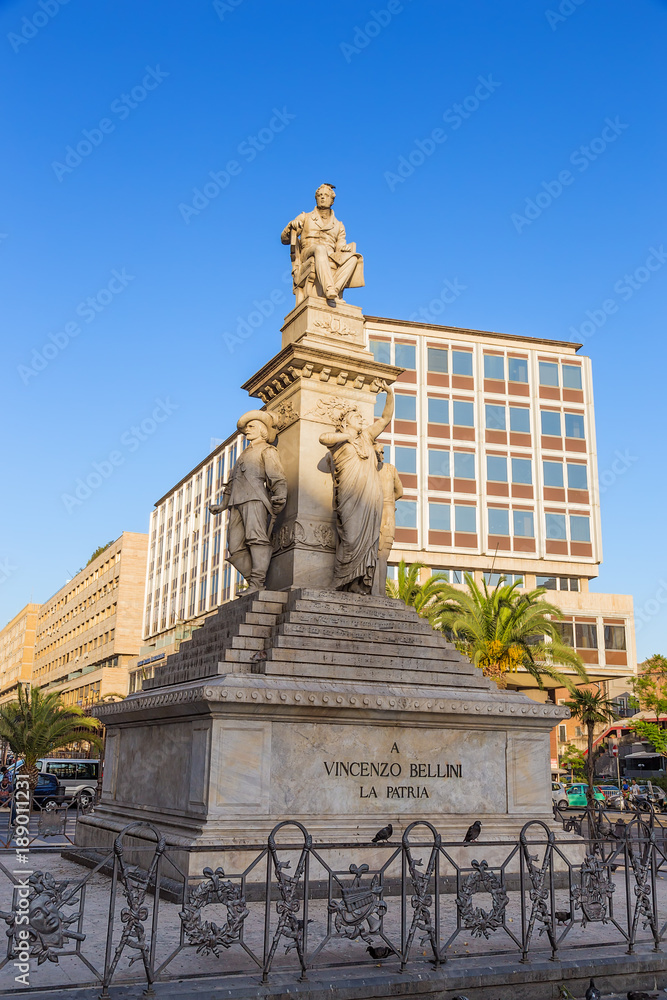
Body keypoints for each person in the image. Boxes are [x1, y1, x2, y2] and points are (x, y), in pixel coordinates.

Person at [319, 385, 394, 593]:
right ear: (345, 422)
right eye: (355, 416)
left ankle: (357, 584)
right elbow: (323, 438)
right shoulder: (338, 441)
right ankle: (341, 581)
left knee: (368, 540)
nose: (360, 418)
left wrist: (389, 393)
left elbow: (385, 419)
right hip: (349, 497)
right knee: (351, 538)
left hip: (370, 497)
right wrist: (346, 436)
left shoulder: (367, 437)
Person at [208, 411, 287, 594]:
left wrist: (280, 494)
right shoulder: (244, 453)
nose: (246, 431)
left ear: (262, 430)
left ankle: (257, 583)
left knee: (256, 538)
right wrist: (222, 504)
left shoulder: (267, 450)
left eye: (251, 427)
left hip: (255, 499)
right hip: (236, 503)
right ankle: (254, 581)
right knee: (234, 547)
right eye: (246, 428)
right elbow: (232, 482)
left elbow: (277, 476)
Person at [281, 184, 364, 303]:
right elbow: (284, 239)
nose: (322, 198)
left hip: (331, 255)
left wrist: (344, 248)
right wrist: (291, 225)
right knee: (320, 249)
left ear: (332, 200)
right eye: (320, 195)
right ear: (316, 199)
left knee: (355, 258)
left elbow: (340, 245)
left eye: (326, 195)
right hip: (309, 252)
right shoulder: (305, 217)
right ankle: (329, 288)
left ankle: (335, 289)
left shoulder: (338, 225)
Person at [374, 445, 403, 595]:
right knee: (382, 555)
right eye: (381, 452)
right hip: (387, 511)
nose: (382, 455)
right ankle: (379, 592)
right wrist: (390, 501)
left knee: (376, 553)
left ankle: (376, 592)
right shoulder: (390, 469)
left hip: (375, 511)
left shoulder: (371, 470)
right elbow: (400, 491)